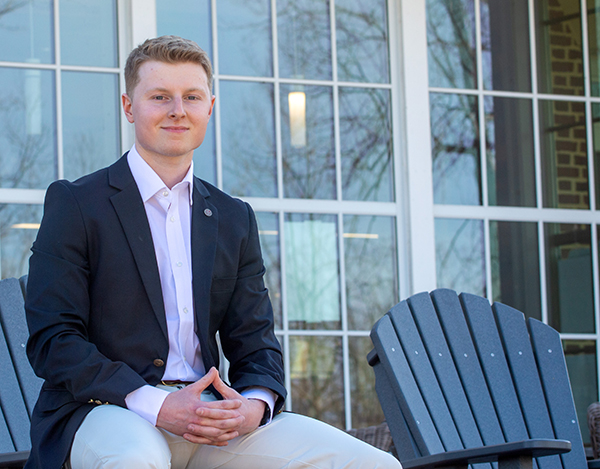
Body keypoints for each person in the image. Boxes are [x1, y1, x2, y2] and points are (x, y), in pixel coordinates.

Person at [24, 35, 402, 469]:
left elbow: (256, 344)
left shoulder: (232, 217)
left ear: (210, 106)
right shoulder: (76, 204)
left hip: (211, 420)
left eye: (191, 97)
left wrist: (254, 406)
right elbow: (55, 342)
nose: (177, 110)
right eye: (160, 96)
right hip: (107, 410)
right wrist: (158, 405)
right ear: (129, 106)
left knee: (376, 466)